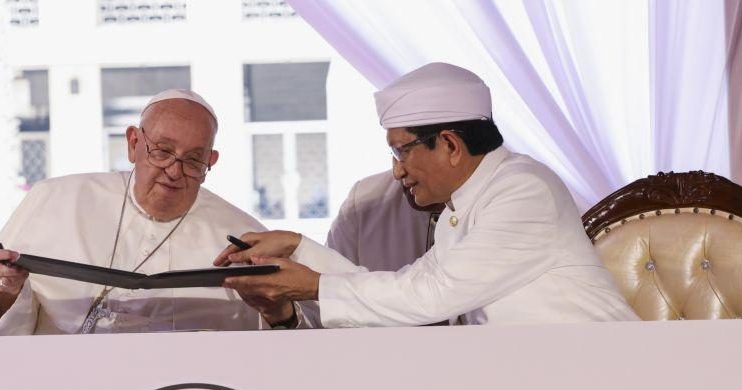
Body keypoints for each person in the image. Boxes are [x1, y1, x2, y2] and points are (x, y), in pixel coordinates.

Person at [217, 63, 638, 328]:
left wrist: (313, 287)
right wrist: (298, 247)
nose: (397, 169)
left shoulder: (523, 189)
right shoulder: (471, 198)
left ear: (451, 145)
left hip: (602, 382)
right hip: (539, 383)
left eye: (403, 150)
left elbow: (431, 297)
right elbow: (411, 288)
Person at [0, 89, 284, 334]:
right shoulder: (55, 199)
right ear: (132, 143)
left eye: (193, 159)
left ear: (210, 162)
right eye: (163, 151)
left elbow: (281, 338)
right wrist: (7, 289)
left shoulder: (244, 235)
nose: (174, 170)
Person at [327, 169, 443, 271]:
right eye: (396, 152)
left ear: (452, 148)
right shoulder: (362, 202)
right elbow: (326, 283)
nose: (397, 173)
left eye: (407, 151)